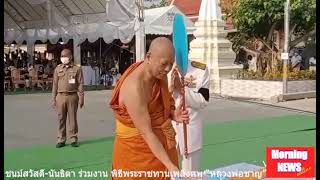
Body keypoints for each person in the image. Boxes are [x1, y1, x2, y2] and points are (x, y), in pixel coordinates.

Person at [109, 37, 190, 179]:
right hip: (137, 153)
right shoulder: (134, 88)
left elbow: (163, 104)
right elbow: (147, 133)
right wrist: (170, 165)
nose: (167, 69)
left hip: (162, 147)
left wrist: (172, 114)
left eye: (171, 64)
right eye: (164, 64)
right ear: (148, 57)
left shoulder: (159, 74)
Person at [168, 60, 210, 172]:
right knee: (170, 174)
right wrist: (171, 88)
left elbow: (203, 100)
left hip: (190, 130)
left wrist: (182, 89)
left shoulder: (200, 70)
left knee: (191, 174)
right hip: (168, 131)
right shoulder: (163, 68)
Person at [52, 49, 84, 148]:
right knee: (61, 118)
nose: (63, 58)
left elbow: (80, 84)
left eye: (65, 56)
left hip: (72, 96)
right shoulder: (58, 69)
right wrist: (53, 98)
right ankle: (61, 139)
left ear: (70, 57)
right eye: (62, 56)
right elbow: (55, 84)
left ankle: (73, 138)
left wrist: (82, 97)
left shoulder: (77, 69)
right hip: (61, 96)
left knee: (72, 118)